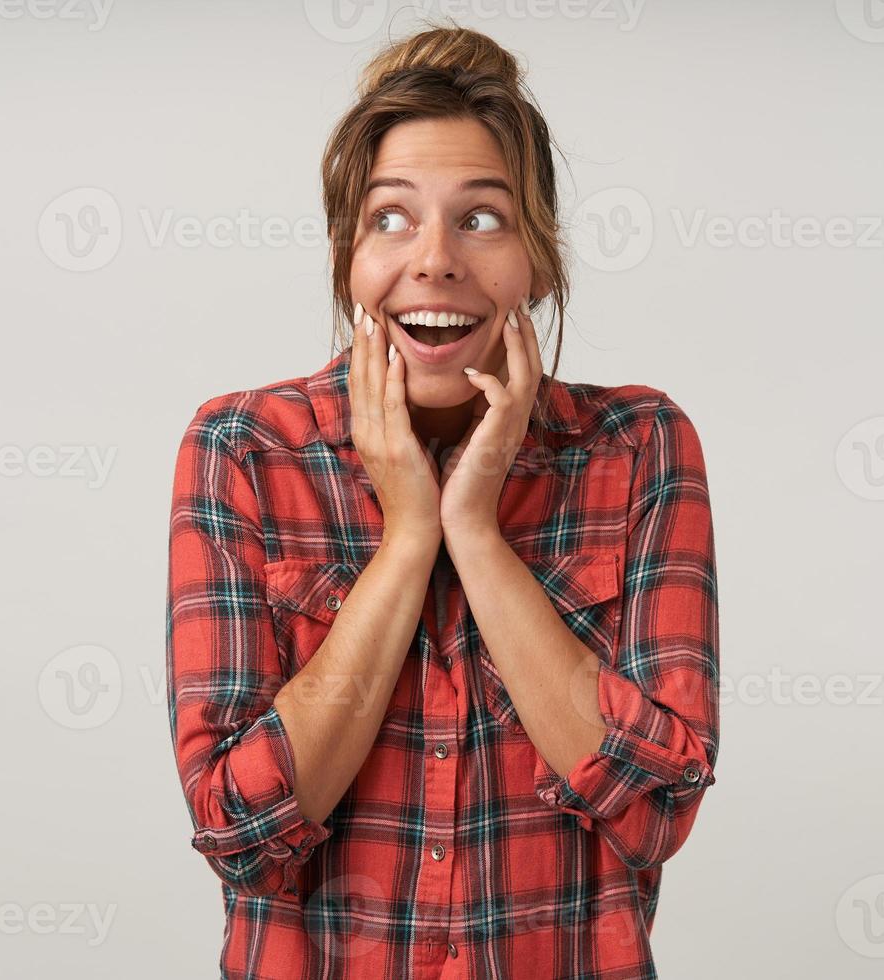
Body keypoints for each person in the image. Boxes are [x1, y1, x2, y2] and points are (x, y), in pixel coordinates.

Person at [164, 24, 719, 979]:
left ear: (538, 259)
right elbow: (239, 830)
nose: (433, 260)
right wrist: (408, 537)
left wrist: (473, 529)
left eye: (482, 218)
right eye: (390, 218)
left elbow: (655, 808)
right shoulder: (246, 450)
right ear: (349, 254)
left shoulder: (640, 447)